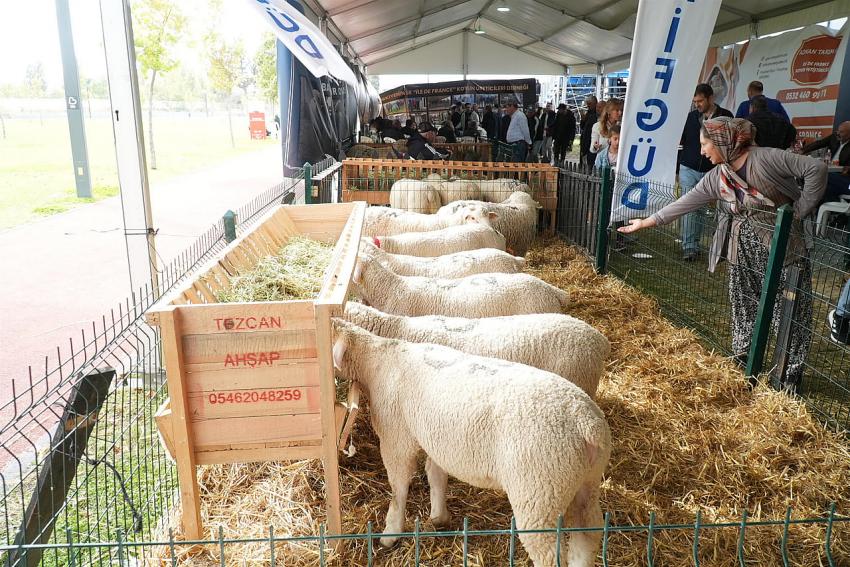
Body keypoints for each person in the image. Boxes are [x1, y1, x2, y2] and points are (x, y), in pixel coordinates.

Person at [619, 117, 826, 389]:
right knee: (743, 300)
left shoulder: (766, 158)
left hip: (783, 247)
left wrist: (799, 211)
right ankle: (745, 355)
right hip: (742, 247)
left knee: (789, 308)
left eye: (705, 144)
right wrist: (646, 222)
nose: (702, 151)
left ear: (723, 141)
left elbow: (816, 169)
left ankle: (790, 371)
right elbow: (686, 201)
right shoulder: (719, 174)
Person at [679, 83, 734, 261]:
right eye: (695, 101)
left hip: (715, 170)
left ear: (711, 98)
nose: (697, 105)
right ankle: (689, 247)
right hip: (689, 167)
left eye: (700, 101)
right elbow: (681, 141)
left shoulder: (726, 117)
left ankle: (719, 248)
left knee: (722, 210)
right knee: (689, 207)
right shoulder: (689, 118)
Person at [801, 121, 850, 202]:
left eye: (841, 132)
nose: (837, 133)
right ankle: (830, 211)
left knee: (822, 176)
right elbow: (819, 143)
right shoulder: (835, 137)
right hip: (833, 175)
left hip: (847, 183)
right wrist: (802, 150)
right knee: (825, 187)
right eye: (838, 130)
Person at [580, 95, 599, 168]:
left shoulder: (596, 115)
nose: (588, 106)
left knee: (589, 163)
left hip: (591, 141)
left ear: (595, 103)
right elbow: (583, 127)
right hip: (585, 141)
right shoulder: (588, 113)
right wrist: (583, 120)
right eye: (587, 104)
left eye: (589, 104)